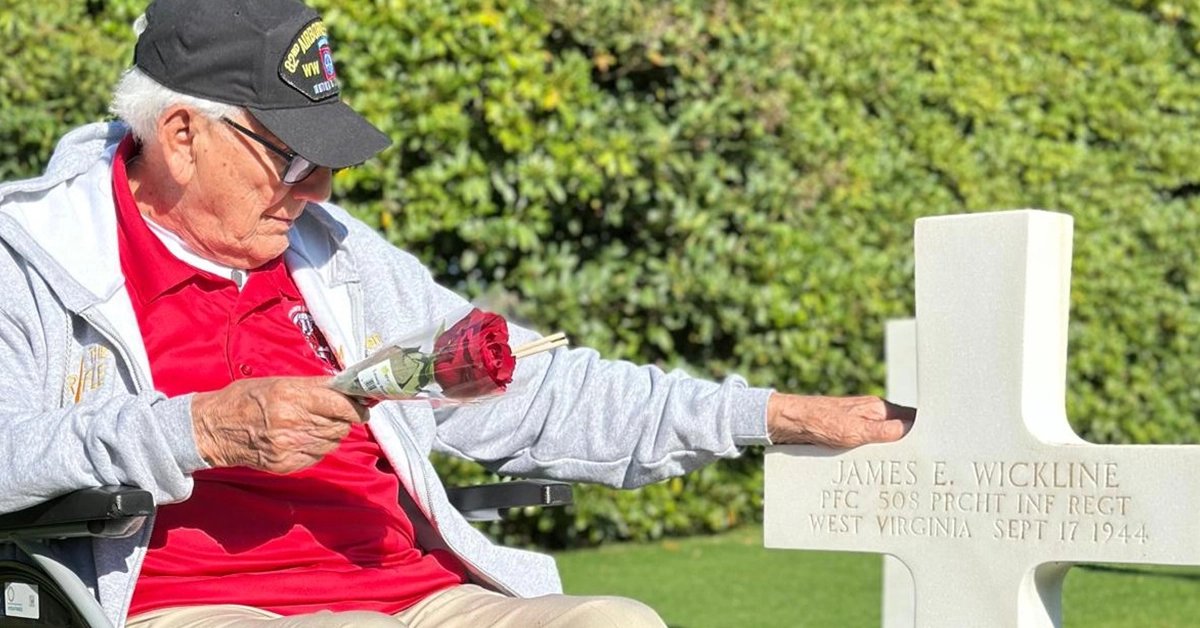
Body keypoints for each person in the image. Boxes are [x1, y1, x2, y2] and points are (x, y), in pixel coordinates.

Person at [0, 0, 915, 626]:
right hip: (198, 604)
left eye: (327, 162)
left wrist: (770, 414)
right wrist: (195, 429)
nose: (319, 189)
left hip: (413, 595)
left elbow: (540, 391)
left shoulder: (337, 255)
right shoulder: (33, 257)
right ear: (182, 135)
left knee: (614, 620)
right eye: (292, 158)